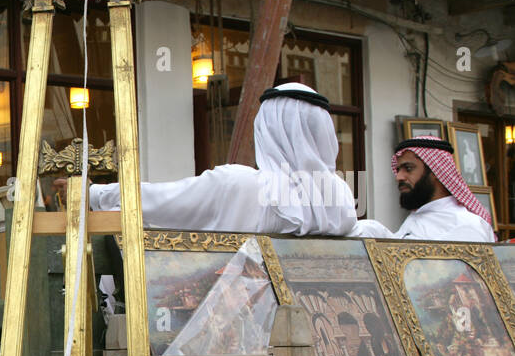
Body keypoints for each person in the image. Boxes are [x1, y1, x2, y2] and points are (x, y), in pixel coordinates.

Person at [88, 83, 357, 235]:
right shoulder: (341, 195)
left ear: (265, 130)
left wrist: (92, 194)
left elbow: (161, 201)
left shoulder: (240, 185)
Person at [351, 137, 495, 242]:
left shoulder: (466, 225)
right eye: (398, 169)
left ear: (436, 172)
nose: (399, 177)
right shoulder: (420, 216)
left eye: (408, 168)